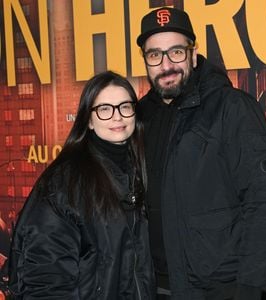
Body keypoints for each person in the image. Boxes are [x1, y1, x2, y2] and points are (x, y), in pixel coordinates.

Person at [136, 7, 266, 300]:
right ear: (146, 61)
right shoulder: (139, 116)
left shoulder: (231, 107)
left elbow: (264, 203)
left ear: (192, 54)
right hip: (152, 286)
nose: (166, 64)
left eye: (176, 52)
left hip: (219, 289)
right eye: (155, 55)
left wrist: (250, 287)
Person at [8, 71, 156, 299]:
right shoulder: (66, 182)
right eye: (105, 109)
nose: (118, 117)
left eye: (125, 106)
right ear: (88, 120)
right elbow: (45, 280)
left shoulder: (139, 168)